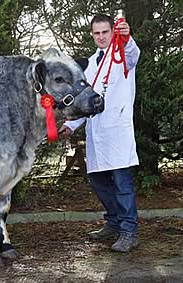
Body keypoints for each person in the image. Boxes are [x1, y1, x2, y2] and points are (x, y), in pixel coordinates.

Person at [60, 13, 141, 252]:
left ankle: (129, 231)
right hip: (97, 132)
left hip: (117, 130)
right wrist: (71, 125)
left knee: (122, 182)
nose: (101, 37)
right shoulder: (90, 63)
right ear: (92, 35)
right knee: (96, 179)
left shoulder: (122, 55)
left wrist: (126, 37)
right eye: (96, 33)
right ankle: (114, 221)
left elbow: (133, 53)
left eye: (105, 32)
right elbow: (85, 102)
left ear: (112, 32)